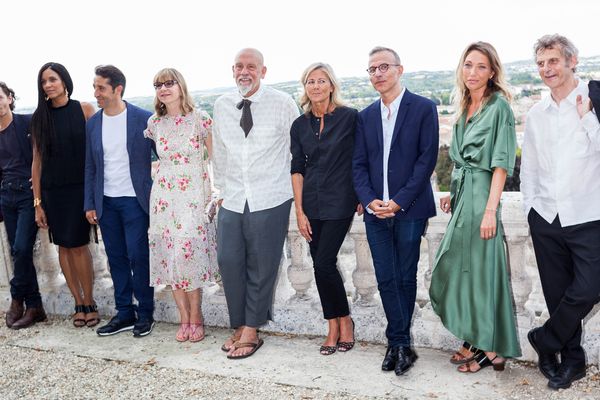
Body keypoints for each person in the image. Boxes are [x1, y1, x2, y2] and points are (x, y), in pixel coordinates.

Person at [428, 42, 521, 373]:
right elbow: (459, 161)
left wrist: (488, 211)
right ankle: (472, 336)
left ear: (492, 72)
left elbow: (500, 165)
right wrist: (453, 192)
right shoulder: (464, 105)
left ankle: (490, 348)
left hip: (484, 197)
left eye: (481, 66)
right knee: (457, 268)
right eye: (468, 65)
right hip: (464, 196)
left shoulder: (500, 108)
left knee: (482, 274)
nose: (473, 72)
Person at [352, 46, 439, 375]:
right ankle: (400, 343)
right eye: (372, 69)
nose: (378, 74)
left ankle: (399, 343)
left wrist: (399, 200)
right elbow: (358, 165)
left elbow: (425, 160)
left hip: (410, 210)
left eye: (383, 67)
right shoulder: (365, 116)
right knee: (386, 279)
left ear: (399, 70)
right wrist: (370, 198)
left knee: (405, 276)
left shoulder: (423, 108)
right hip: (375, 212)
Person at [521, 34, 600, 390]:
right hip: (547, 217)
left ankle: (545, 339)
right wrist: (530, 210)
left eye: (553, 61)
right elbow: (531, 167)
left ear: (572, 60)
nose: (546, 69)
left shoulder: (595, 99)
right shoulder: (537, 113)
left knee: (588, 288)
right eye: (540, 63)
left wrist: (587, 119)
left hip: (589, 213)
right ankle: (571, 362)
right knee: (557, 293)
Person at [212, 48, 299, 359]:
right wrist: (220, 188)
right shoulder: (222, 105)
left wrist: (295, 192)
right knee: (228, 260)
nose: (244, 72)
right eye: (238, 66)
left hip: (271, 196)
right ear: (232, 70)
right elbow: (219, 152)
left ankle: (250, 329)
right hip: (233, 197)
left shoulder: (282, 103)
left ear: (264, 71)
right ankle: (240, 322)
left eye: (251, 66)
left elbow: (296, 150)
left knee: (262, 265)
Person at [144, 67, 218, 342]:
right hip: (164, 197)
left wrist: (212, 194)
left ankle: (196, 317)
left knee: (189, 256)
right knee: (171, 258)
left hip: (193, 196)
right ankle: (183, 318)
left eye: (169, 83)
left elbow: (216, 159)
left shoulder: (200, 118)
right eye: (158, 85)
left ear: (180, 86)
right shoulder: (154, 124)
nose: (163, 88)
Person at [290, 63, 360, 355]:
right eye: (310, 81)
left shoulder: (350, 118)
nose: (316, 86)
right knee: (321, 263)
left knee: (322, 262)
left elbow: (361, 157)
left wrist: (362, 194)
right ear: (305, 87)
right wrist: (299, 211)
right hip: (311, 204)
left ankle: (338, 323)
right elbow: (297, 168)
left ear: (332, 85)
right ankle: (339, 321)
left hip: (341, 200)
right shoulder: (299, 124)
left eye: (321, 81)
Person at [84, 65, 155, 337]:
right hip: (106, 203)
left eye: (101, 87)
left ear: (118, 89)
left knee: (139, 257)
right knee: (115, 259)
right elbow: (90, 166)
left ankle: (145, 313)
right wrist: (90, 202)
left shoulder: (143, 119)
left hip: (135, 201)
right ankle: (124, 312)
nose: (96, 93)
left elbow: (167, 155)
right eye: (95, 87)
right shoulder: (93, 123)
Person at [31, 62, 98, 328]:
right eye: (44, 81)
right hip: (53, 192)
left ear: (64, 81)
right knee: (63, 246)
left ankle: (90, 301)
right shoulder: (39, 117)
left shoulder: (84, 110)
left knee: (79, 245)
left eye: (52, 79)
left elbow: (96, 154)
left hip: (80, 189)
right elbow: (36, 162)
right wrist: (38, 203)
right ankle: (77, 302)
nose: (48, 85)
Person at [0, 82, 46, 329]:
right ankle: (35, 306)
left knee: (21, 248)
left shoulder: (26, 123)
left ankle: (17, 297)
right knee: (19, 253)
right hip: (6, 197)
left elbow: (42, 155)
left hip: (28, 195)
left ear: (9, 98)